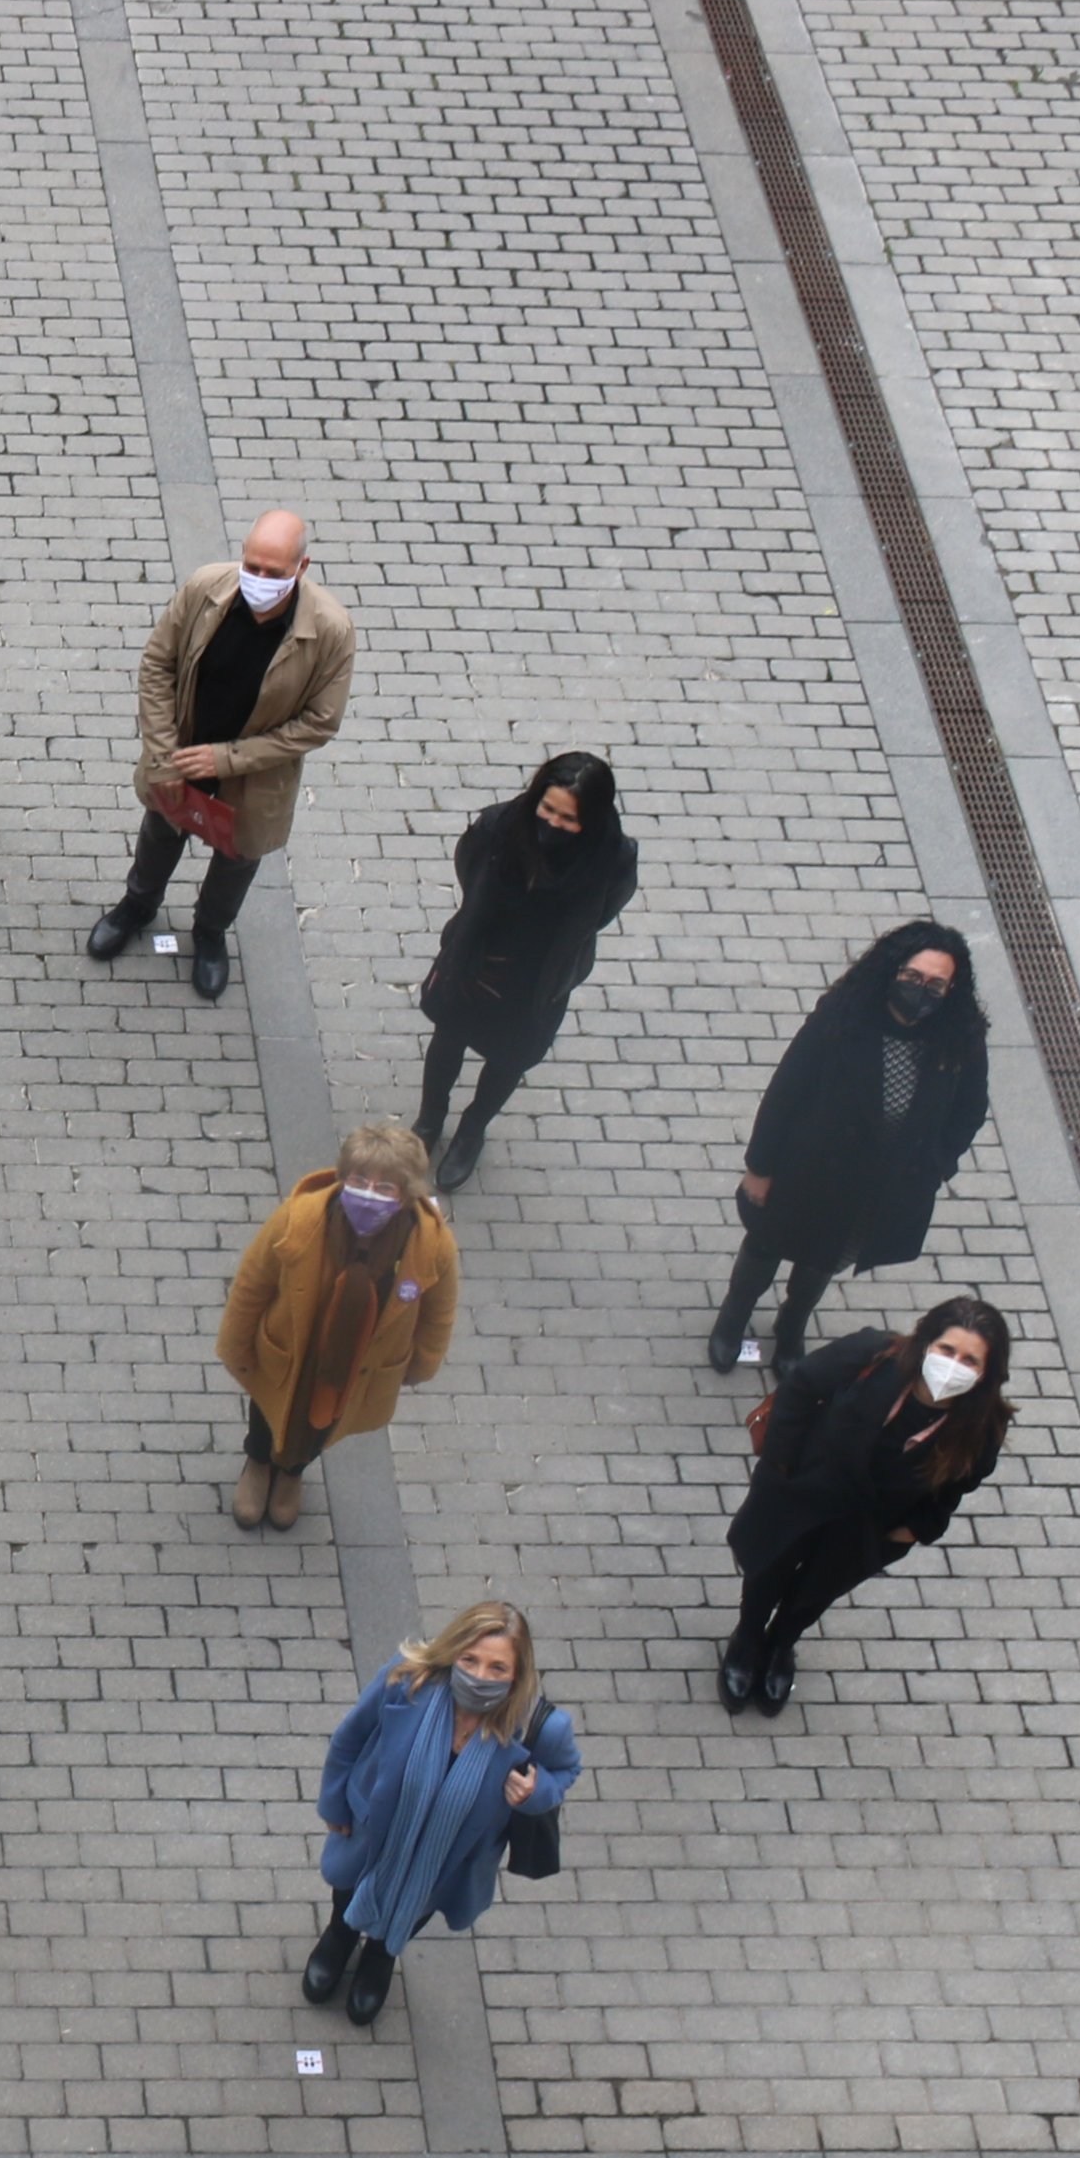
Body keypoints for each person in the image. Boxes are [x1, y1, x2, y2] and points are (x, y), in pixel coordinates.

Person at [81, 511, 353, 1003]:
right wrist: (165, 755)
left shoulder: (330, 631)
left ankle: (209, 932)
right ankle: (138, 905)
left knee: (237, 860)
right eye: (253, 565)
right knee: (160, 832)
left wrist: (226, 760)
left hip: (254, 779)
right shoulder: (207, 588)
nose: (259, 581)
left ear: (303, 566)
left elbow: (319, 723)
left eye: (275, 573)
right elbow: (158, 665)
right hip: (180, 758)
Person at [707, 922, 992, 1371]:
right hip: (807, 1168)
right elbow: (787, 1089)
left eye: (937, 984)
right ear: (893, 971)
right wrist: (759, 1166)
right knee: (766, 1245)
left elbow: (971, 1109)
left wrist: (936, 1164)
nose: (923, 991)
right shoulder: (843, 1017)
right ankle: (733, 1318)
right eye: (914, 978)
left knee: (826, 1257)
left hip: (878, 1184)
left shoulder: (959, 1037)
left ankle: (791, 1326)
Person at [721, 1294, 1013, 1712]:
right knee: (769, 1569)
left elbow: (959, 1485)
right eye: (947, 1350)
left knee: (816, 1591)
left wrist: (914, 1529)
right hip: (803, 1495)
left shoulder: (982, 1426)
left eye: (970, 1360)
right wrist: (782, 1466)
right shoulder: (873, 1355)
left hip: (868, 1525)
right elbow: (801, 1387)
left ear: (987, 1373)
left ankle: (781, 1644)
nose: (953, 1366)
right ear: (927, 1342)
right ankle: (748, 1638)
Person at [303, 1600, 581, 2029]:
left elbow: (565, 1771)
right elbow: (350, 1737)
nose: (479, 1677)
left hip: (446, 1861)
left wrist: (535, 1791)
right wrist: (334, 1803)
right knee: (347, 1893)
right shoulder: (410, 1679)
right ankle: (338, 1939)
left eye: (497, 1668)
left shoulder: (540, 1726)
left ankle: (379, 1959)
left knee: (415, 1910)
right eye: (469, 1660)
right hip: (372, 1835)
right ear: (452, 1651)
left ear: (518, 1672)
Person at [412, 752, 638, 1191]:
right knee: (448, 1037)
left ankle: (471, 1130)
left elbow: (603, 911)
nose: (552, 823)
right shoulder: (499, 826)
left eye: (568, 818)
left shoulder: (612, 858)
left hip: (539, 976)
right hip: (477, 955)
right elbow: (469, 869)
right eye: (548, 809)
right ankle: (430, 1118)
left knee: (508, 1058)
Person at [218, 1121, 458, 1533]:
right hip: (294, 1347)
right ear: (343, 1176)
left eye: (385, 1187)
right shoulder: (299, 1218)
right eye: (360, 1180)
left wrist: (420, 1364)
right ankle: (257, 1462)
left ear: (406, 1195)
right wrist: (237, 1345)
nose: (369, 1194)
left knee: (324, 1422)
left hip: (358, 1362)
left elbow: (439, 1312)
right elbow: (252, 1284)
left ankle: (291, 1473)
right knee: (268, 1408)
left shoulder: (432, 1244)